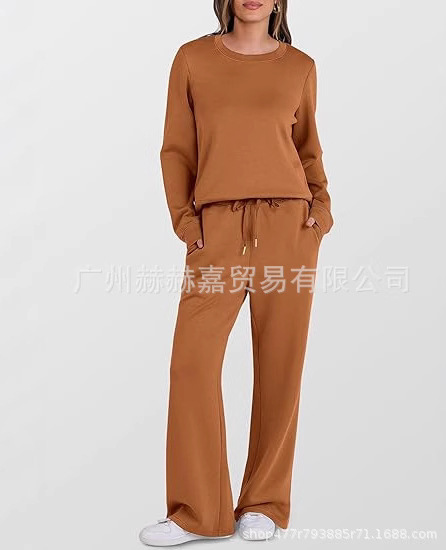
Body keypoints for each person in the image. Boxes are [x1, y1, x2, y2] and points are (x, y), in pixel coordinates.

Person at [140, 0, 334, 545]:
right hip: (217, 228)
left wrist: (319, 213)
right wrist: (186, 222)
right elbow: (176, 150)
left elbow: (308, 151)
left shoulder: (300, 67)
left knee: (280, 366)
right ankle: (197, 513)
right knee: (192, 365)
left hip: (287, 227)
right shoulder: (192, 60)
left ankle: (264, 504)